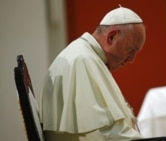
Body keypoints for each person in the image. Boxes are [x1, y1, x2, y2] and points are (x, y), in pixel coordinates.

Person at [39, 5, 146, 141]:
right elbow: (104, 132)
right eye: (131, 50)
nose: (132, 59)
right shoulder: (83, 60)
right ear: (111, 37)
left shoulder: (87, 56)